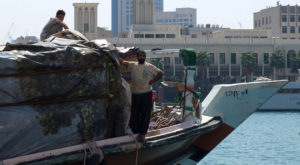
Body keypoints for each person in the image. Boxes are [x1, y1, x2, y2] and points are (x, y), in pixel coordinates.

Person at [120, 50, 163, 142]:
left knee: (145, 114)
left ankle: (142, 134)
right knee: (134, 114)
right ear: (137, 57)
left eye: (143, 55)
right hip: (135, 94)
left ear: (145, 57)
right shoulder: (133, 65)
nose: (142, 57)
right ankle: (135, 133)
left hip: (146, 93)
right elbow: (123, 62)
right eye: (140, 55)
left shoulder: (149, 66)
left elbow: (160, 73)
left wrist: (153, 81)